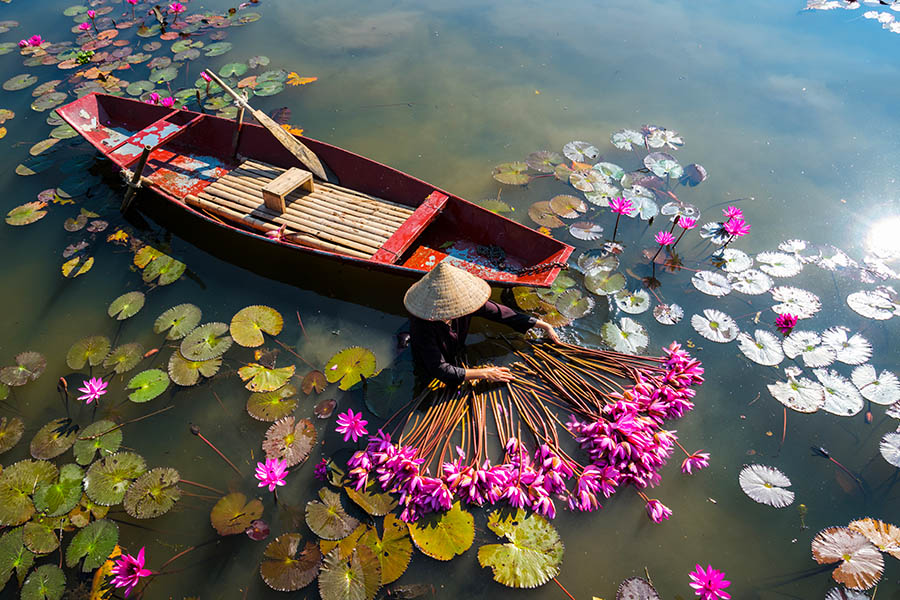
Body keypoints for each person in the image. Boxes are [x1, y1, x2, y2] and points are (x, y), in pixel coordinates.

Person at [404, 262, 560, 386]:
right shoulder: (422, 324)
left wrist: (544, 326)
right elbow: (439, 369)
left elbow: (503, 314)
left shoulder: (465, 303)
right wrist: (485, 373)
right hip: (430, 364)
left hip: (456, 352)